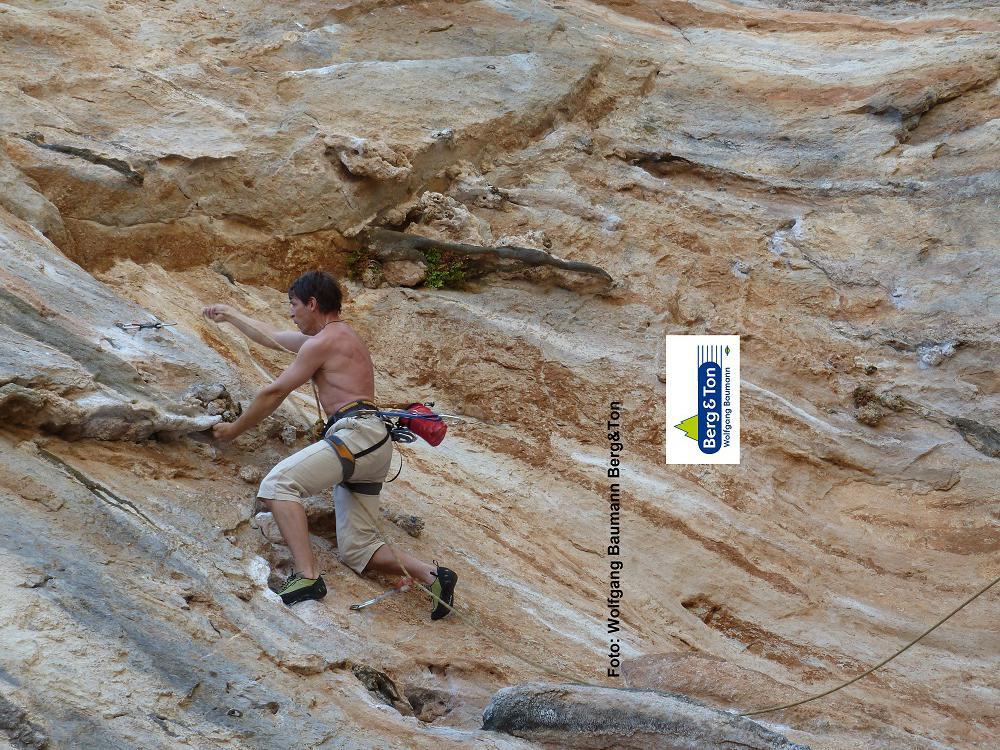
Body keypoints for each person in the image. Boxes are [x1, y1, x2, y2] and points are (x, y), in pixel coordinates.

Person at [202, 270, 457, 618]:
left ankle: (308, 577)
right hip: (372, 445)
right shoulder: (338, 337)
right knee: (358, 550)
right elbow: (273, 337)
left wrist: (234, 429)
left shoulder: (325, 341)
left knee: (278, 485)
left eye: (293, 305)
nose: (291, 314)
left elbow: (275, 391)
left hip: (357, 435)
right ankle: (433, 575)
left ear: (312, 303)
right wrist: (230, 315)